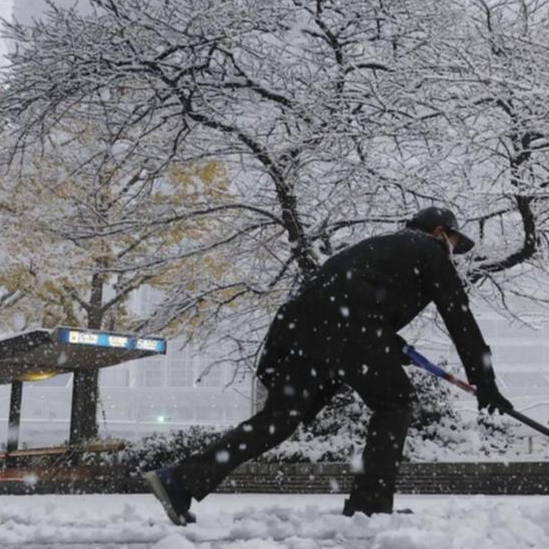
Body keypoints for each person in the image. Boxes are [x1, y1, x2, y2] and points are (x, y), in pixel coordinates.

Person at [143, 207, 513, 524]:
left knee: (280, 419)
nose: (454, 252)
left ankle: (181, 481)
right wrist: (487, 385)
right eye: (454, 242)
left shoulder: (376, 250)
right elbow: (461, 320)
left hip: (303, 332)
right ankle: (369, 507)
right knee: (395, 403)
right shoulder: (429, 250)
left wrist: (391, 344)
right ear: (439, 232)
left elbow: (348, 296)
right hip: (347, 328)